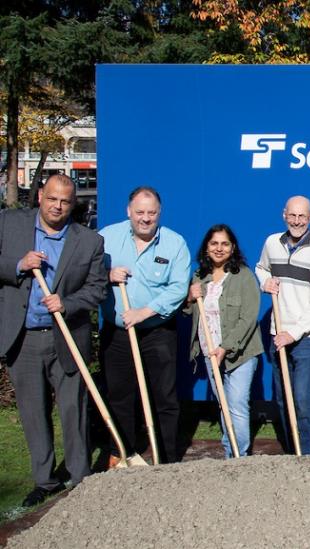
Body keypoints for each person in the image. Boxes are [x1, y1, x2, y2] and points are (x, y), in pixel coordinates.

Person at [0, 175, 106, 506]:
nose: (57, 206)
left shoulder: (88, 241)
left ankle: (79, 477)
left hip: (67, 336)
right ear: (40, 196)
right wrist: (19, 265)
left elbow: (97, 288)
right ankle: (44, 481)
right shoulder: (9, 224)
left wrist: (68, 303)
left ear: (72, 204)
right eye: (52, 199)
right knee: (33, 412)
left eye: (65, 201)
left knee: (74, 409)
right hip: (24, 338)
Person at [100, 186, 190, 465]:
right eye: (140, 212)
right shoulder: (106, 238)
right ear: (129, 211)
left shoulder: (174, 244)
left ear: (159, 213)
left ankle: (167, 458)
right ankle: (123, 453)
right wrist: (106, 274)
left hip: (158, 332)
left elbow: (178, 288)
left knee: (164, 397)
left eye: (151, 213)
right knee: (120, 396)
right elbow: (84, 273)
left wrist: (144, 312)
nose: (145, 218)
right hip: (117, 334)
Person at [255, 196, 310, 455]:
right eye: (293, 215)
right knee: (282, 399)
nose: (297, 221)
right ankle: (292, 453)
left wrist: (293, 333)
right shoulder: (271, 243)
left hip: (309, 336)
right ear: (284, 215)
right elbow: (261, 268)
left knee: (302, 401)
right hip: (279, 333)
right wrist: (264, 281)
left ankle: (307, 458)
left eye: (302, 216)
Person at [186, 224, 263, 458]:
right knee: (224, 405)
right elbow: (190, 313)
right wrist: (189, 297)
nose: (219, 248)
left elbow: (248, 318)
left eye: (225, 244)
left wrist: (225, 347)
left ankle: (237, 457)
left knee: (237, 405)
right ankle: (230, 450)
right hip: (210, 352)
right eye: (214, 243)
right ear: (207, 247)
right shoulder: (200, 276)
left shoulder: (244, 276)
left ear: (232, 248)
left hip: (240, 352)